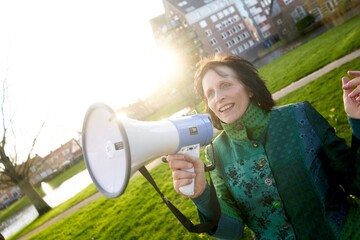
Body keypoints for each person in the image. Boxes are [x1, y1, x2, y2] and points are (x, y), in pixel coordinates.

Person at [167, 54, 360, 240]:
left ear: (249, 88)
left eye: (225, 85)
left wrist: (357, 121)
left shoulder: (301, 116)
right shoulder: (216, 152)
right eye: (210, 93)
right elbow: (233, 232)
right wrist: (201, 195)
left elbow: (355, 180)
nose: (218, 97)